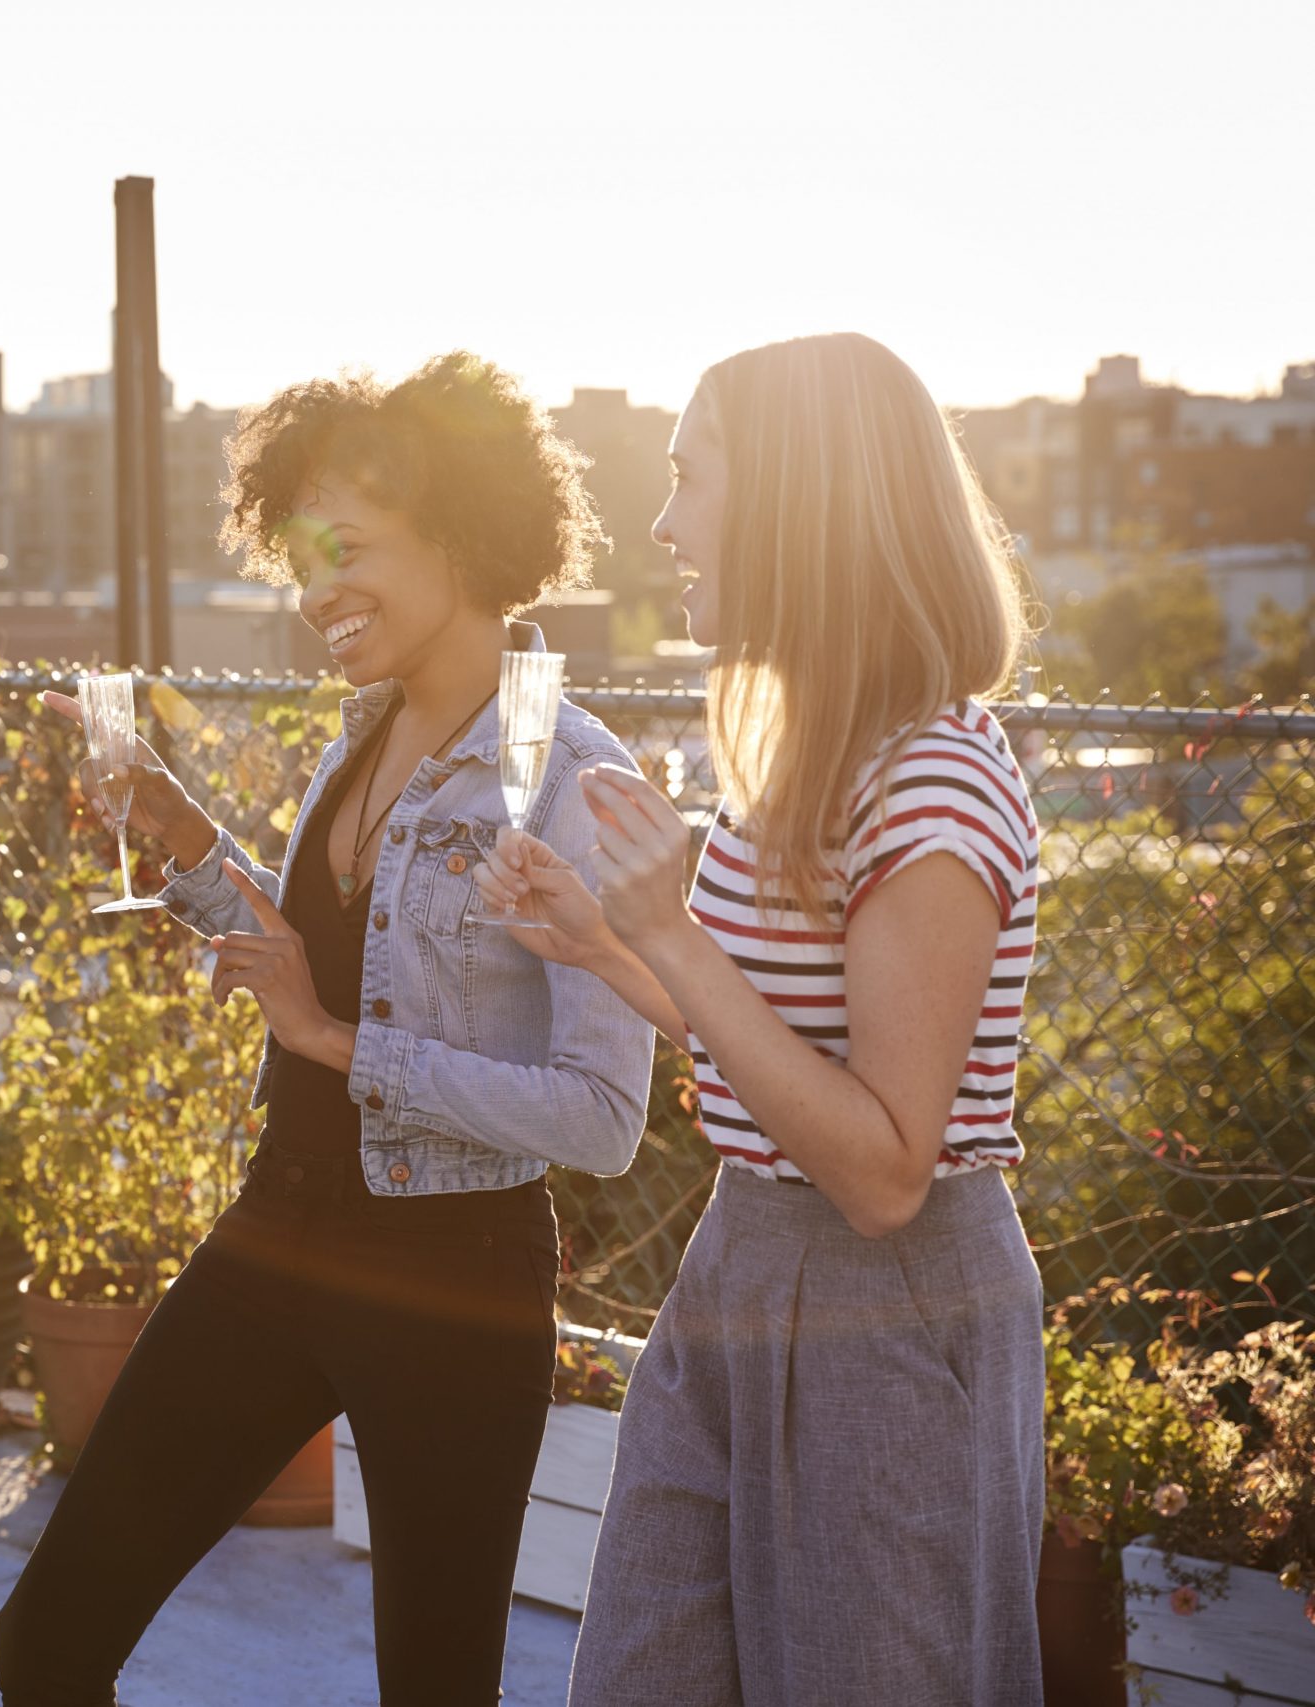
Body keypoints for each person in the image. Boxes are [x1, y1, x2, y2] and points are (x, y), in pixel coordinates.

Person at [0, 354, 659, 1707]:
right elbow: (326, 966)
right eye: (300, 563)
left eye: (347, 552)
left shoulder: (575, 779)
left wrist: (335, 1046)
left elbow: (601, 1113)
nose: (315, 598)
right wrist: (178, 829)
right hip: (280, 1230)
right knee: (46, 1639)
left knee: (436, 1688)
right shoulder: (371, 732)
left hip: (454, 1277)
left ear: (464, 534)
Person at [477, 332, 1045, 1705]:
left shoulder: (932, 789)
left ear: (802, 506)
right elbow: (774, 1057)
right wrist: (609, 950)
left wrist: (669, 926)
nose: (663, 523)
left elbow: (884, 1166)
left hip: (888, 1310)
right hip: (741, 1268)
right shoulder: (808, 752)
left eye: (691, 479)